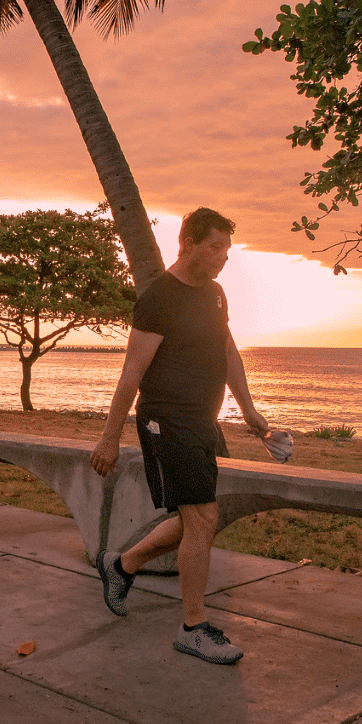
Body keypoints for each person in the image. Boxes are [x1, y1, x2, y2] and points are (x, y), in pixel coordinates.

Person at [90, 207, 270, 665]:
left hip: (201, 421)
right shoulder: (159, 298)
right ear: (188, 243)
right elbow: (133, 369)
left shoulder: (215, 295)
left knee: (194, 520)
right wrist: (109, 436)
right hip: (165, 421)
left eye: (228, 249)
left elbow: (227, 349)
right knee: (204, 518)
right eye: (215, 246)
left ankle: (121, 564)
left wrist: (247, 409)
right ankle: (193, 627)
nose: (223, 257)